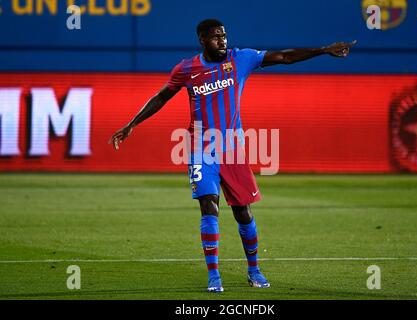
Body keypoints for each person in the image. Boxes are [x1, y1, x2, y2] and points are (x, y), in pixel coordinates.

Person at [109, 19, 356, 293]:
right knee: (209, 206)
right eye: (215, 37)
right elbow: (162, 96)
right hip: (201, 147)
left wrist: (323, 50)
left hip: (233, 149)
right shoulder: (187, 68)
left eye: (224, 35)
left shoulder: (242, 59)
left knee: (243, 213)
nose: (222, 40)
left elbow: (285, 57)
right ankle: (214, 276)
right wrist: (132, 123)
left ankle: (254, 270)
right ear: (202, 40)